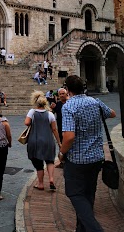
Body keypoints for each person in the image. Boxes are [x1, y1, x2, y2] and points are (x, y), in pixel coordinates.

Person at [58, 75, 116, 232]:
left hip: (77, 160)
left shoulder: (69, 106)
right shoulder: (95, 102)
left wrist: (62, 153)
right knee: (88, 194)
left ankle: (94, 229)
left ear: (68, 90)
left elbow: (69, 137)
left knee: (75, 194)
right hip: (96, 157)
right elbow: (112, 113)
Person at [24, 91, 61, 191]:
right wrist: (59, 142)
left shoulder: (32, 112)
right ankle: (51, 179)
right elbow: (54, 129)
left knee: (38, 162)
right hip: (48, 140)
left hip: (34, 140)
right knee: (50, 160)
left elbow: (26, 123)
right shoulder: (50, 114)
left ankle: (40, 183)